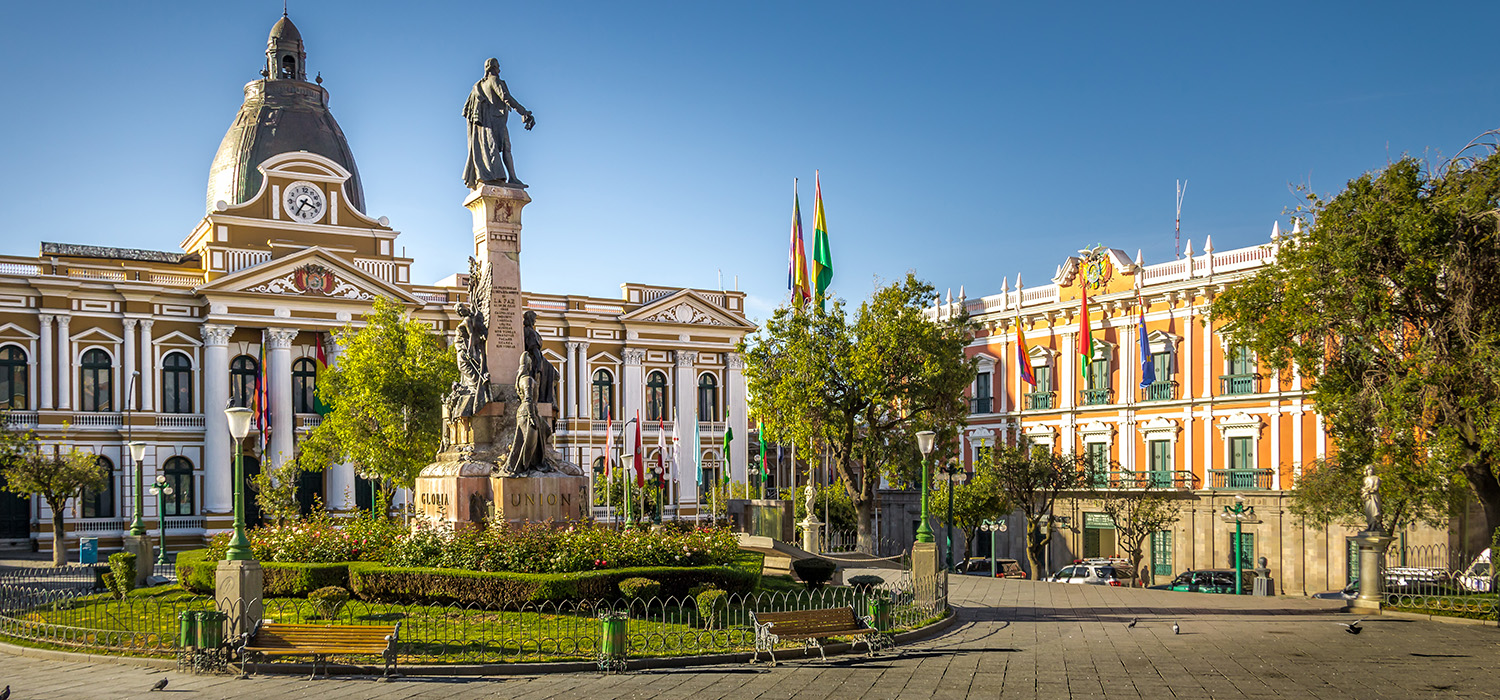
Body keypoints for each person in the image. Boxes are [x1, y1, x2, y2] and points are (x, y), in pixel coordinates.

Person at [462, 58, 535, 188]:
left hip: (486, 124)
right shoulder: (494, 80)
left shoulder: (478, 86)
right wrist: (523, 112)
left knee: (494, 149)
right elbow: (505, 96)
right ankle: (511, 178)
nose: (499, 70)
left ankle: (507, 177)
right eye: (497, 67)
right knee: (506, 148)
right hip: (495, 121)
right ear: (492, 68)